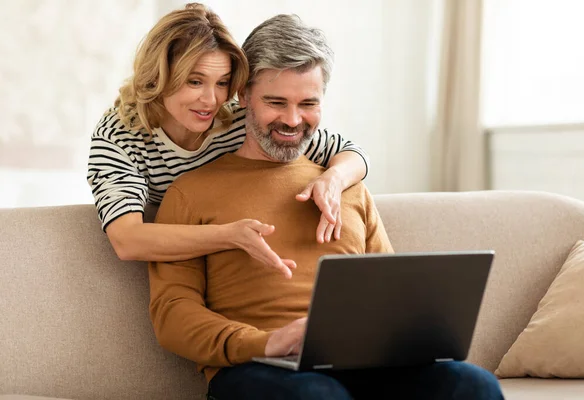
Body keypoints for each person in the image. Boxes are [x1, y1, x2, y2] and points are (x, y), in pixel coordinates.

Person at [148, 14, 504, 400]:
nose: (292, 119)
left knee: (472, 384)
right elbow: (172, 315)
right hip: (258, 368)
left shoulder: (347, 187)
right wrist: (265, 342)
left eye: (308, 104)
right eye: (276, 102)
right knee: (318, 396)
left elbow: (390, 294)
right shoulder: (191, 193)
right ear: (244, 95)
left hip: (366, 365)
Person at [86, 3, 370, 277]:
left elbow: (349, 153)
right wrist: (231, 235)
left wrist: (333, 180)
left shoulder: (236, 117)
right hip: (188, 249)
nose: (211, 100)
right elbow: (127, 240)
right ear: (158, 76)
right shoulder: (119, 135)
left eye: (222, 82)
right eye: (195, 81)